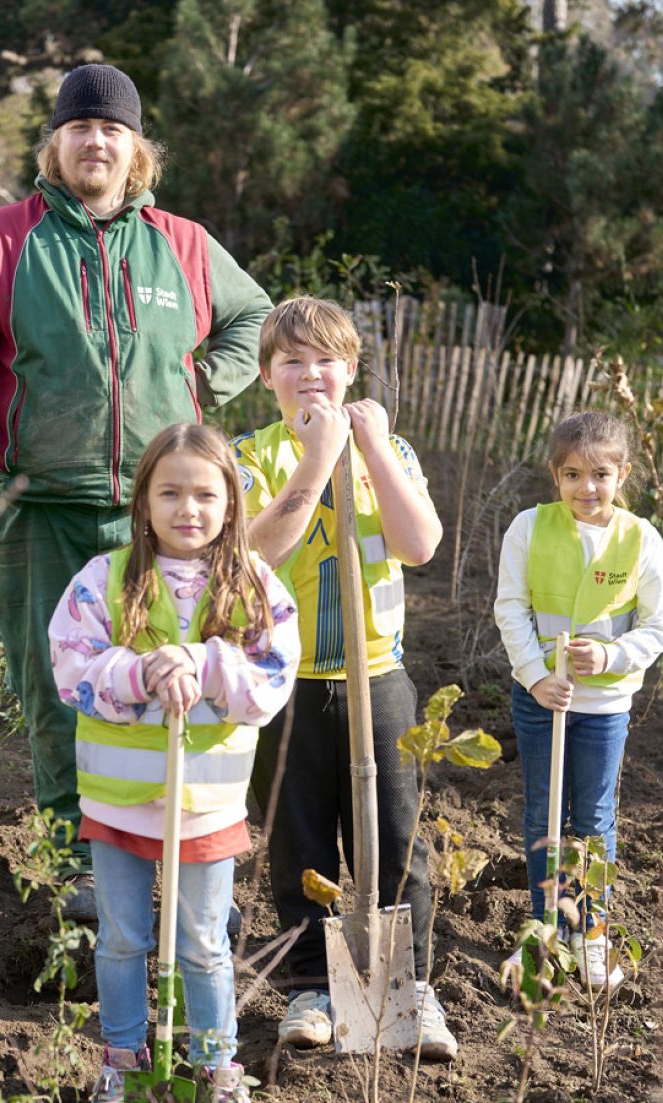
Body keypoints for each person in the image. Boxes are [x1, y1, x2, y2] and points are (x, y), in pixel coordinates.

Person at [0, 63, 273, 916]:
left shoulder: (185, 246)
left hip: (161, 520)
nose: (96, 141)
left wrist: (197, 388)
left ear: (136, 150)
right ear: (56, 143)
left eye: (113, 129)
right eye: (81, 127)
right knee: (62, 690)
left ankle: (186, 861)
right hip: (37, 506)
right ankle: (71, 864)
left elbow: (258, 321)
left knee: (176, 680)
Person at [233, 297, 457, 1060]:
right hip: (283, 681)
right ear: (267, 376)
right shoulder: (252, 456)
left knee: (396, 839)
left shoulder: (386, 447)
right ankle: (311, 987)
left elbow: (419, 542)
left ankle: (410, 988)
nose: (309, 374)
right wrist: (317, 456)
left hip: (378, 676)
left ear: (351, 369)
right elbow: (254, 552)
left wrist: (369, 448)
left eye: (325, 359)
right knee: (298, 841)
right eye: (291, 361)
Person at [48, 424, 299, 1102]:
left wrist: (205, 659)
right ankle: (124, 1057)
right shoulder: (105, 578)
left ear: (230, 503)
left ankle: (217, 1064)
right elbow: (71, 665)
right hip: (119, 799)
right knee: (124, 936)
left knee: (204, 940)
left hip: (207, 805)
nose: (188, 508)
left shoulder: (254, 586)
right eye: (170, 492)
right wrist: (138, 672)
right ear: (144, 501)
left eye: (204, 494)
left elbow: (273, 679)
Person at [491, 410, 663, 989]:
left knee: (593, 817)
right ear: (555, 475)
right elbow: (511, 608)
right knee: (544, 810)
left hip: (603, 707)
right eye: (572, 475)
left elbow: (660, 621)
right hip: (541, 698)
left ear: (622, 475)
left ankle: (590, 927)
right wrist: (533, 675)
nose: (586, 488)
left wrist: (612, 656)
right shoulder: (528, 528)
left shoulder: (640, 539)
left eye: (600, 474)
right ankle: (547, 922)